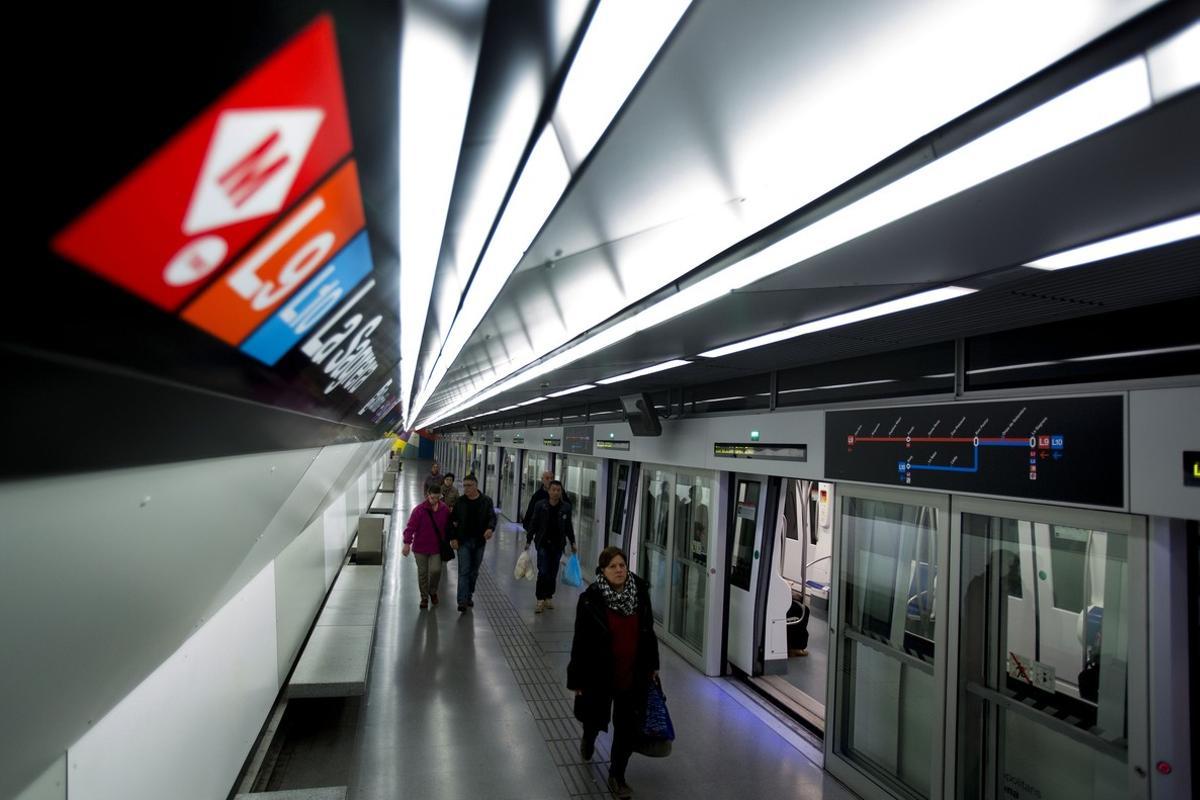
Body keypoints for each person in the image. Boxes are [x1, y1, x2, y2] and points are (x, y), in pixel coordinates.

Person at [568, 546, 660, 800]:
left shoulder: (639, 593)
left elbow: (648, 632)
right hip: (600, 674)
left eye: (622, 565)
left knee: (627, 728)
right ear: (603, 571)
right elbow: (580, 642)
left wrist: (652, 666)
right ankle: (589, 736)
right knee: (595, 717)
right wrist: (576, 678)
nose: (619, 570)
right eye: (613, 567)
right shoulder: (590, 600)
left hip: (633, 673)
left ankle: (617, 775)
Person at [526, 480, 576, 613]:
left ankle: (549, 596)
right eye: (553, 490)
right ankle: (540, 599)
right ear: (548, 491)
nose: (555, 492)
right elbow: (534, 523)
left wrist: (572, 542)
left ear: (561, 492)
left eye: (558, 490)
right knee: (543, 571)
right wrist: (528, 540)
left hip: (558, 545)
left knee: (553, 572)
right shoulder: (540, 505)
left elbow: (568, 527)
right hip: (542, 543)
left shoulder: (565, 507)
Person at [450, 474, 496, 613]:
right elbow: (452, 522)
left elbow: (492, 517)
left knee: (473, 572)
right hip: (463, 541)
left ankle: (469, 594)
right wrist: (453, 538)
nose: (466, 488)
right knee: (464, 571)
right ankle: (462, 600)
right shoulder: (460, 502)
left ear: (476, 485)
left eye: (469, 485)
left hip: (479, 542)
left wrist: (490, 528)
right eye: (464, 486)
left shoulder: (486, 501)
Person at [401, 484, 452, 609]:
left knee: (436, 570)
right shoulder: (419, 510)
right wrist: (407, 543)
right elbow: (410, 527)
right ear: (427, 495)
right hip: (420, 548)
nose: (434, 500)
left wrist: (452, 539)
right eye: (432, 498)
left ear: (440, 496)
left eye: (437, 498)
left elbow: (449, 527)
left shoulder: (444, 509)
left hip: (436, 548)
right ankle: (424, 597)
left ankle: (432, 591)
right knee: (423, 573)